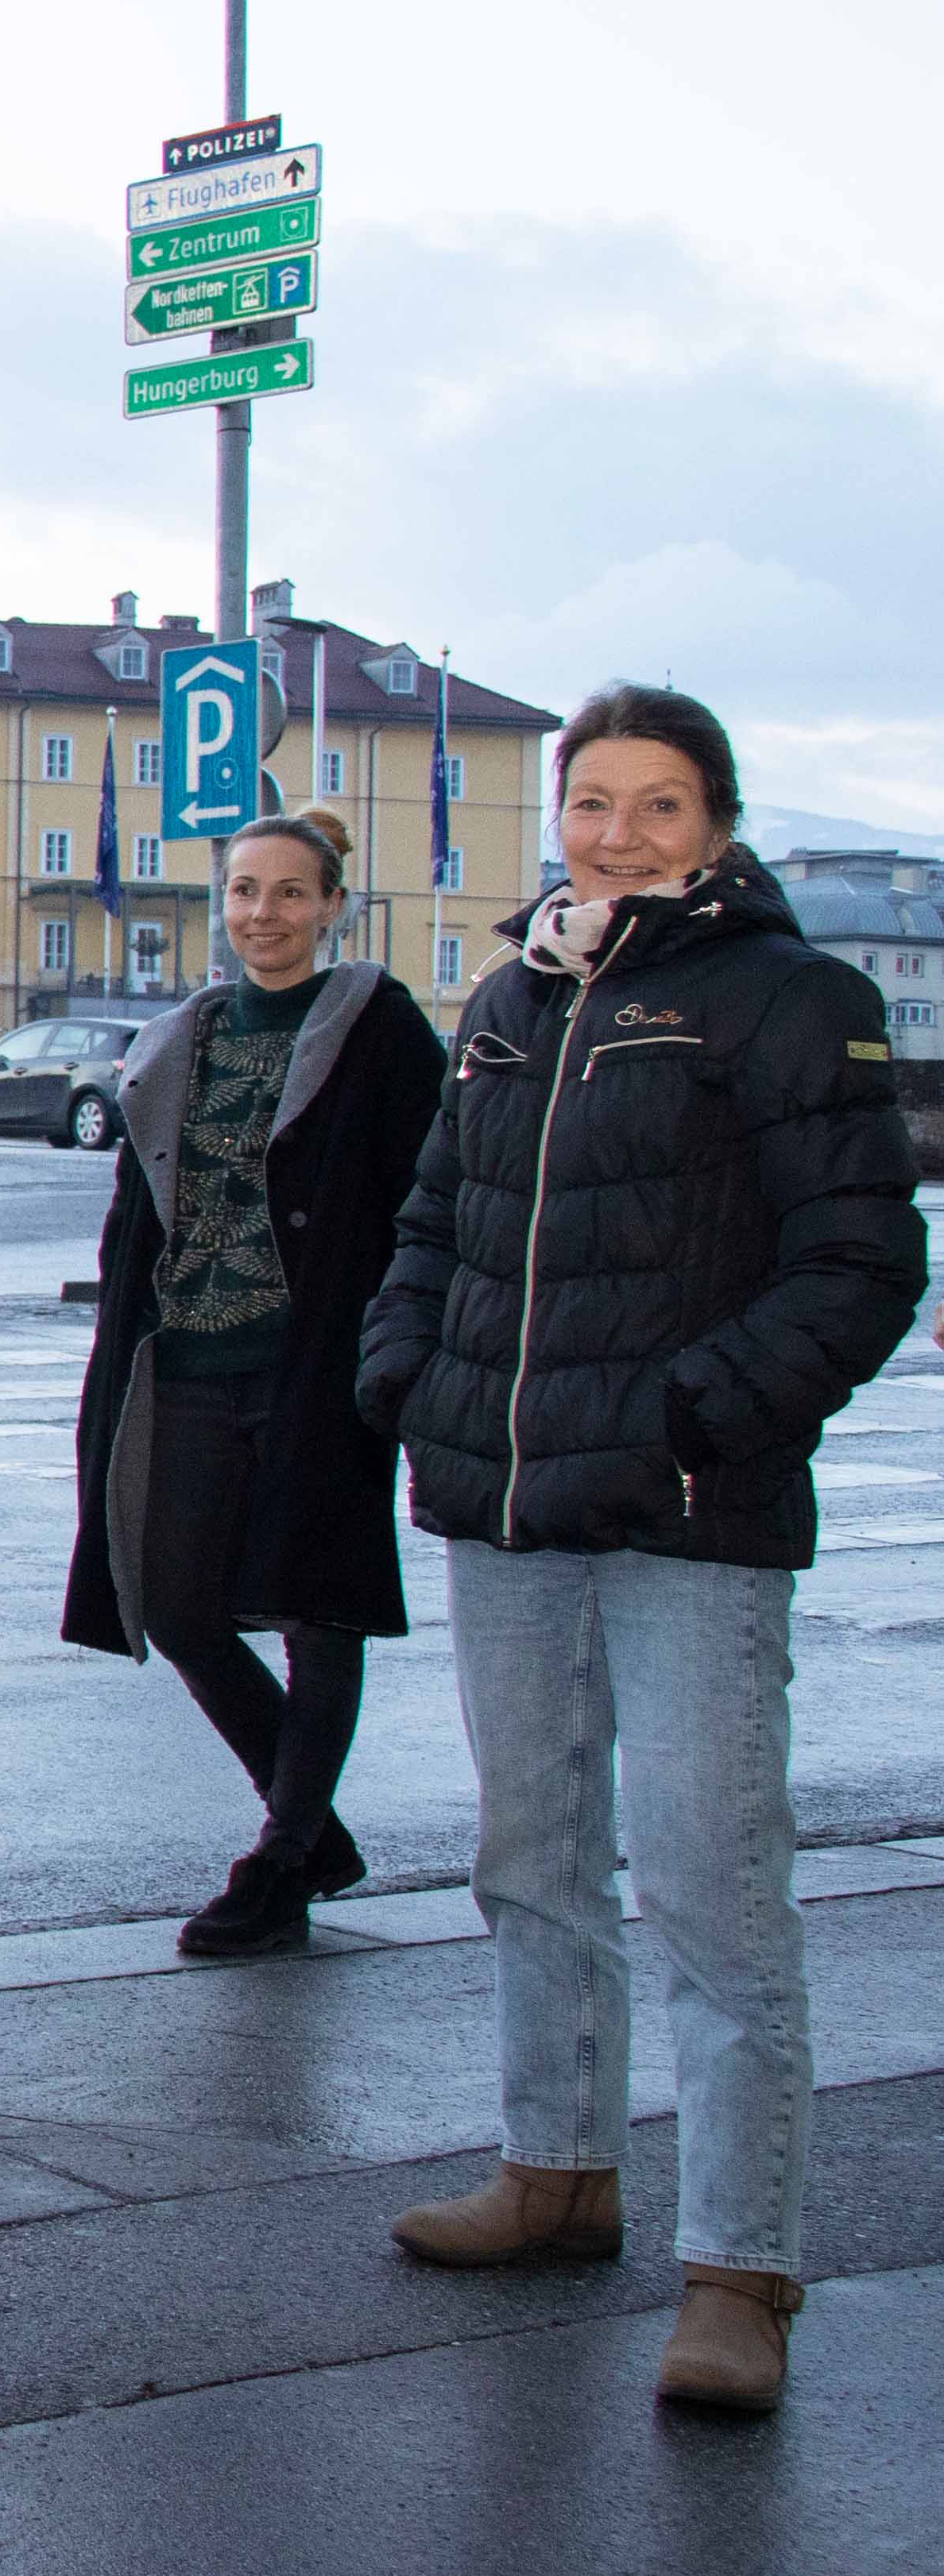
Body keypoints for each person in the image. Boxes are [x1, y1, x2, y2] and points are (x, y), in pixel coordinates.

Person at [358, 688, 924, 2416]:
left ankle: (741, 2268)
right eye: (591, 800)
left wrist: (694, 1417)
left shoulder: (789, 996)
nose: (616, 834)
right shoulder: (510, 998)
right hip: (509, 1504)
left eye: (657, 804)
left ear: (717, 824)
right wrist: (409, 1375)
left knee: (709, 1889)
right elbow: (436, 1217)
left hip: (690, 1513)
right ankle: (556, 2173)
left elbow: (859, 1264)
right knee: (530, 1858)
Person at [61, 809, 442, 1956]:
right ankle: (311, 1830)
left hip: (314, 1362)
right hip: (183, 1359)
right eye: (242, 891)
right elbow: (138, 1210)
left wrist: (398, 1342)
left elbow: (429, 1199)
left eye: (288, 893)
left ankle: (279, 1859)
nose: (261, 915)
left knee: (317, 1611)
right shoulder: (178, 1037)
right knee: (176, 1609)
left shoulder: (379, 1032)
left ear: (331, 907)